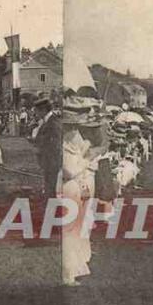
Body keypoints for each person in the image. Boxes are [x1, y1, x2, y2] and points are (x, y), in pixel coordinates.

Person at [60, 120, 101, 287]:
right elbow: (70, 171)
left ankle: (76, 267)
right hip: (70, 187)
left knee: (78, 229)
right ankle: (68, 273)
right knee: (70, 232)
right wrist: (84, 162)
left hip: (77, 187)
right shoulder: (66, 150)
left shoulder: (74, 148)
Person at [30, 96, 62, 198]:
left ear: (43, 110)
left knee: (51, 188)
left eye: (37, 111)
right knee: (49, 186)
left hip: (52, 161)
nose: (36, 114)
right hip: (47, 160)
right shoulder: (46, 122)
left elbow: (55, 144)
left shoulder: (53, 123)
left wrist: (41, 149)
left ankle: (51, 209)